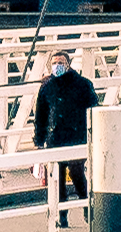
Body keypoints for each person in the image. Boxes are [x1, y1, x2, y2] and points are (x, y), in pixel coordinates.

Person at [28, 45, 100, 195]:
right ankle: (61, 216)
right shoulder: (47, 86)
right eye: (54, 63)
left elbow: (93, 109)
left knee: (76, 173)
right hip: (55, 138)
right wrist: (39, 142)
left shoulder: (83, 84)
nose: (57, 66)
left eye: (60, 63)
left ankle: (87, 206)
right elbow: (41, 115)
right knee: (57, 178)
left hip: (77, 136)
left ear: (68, 64)